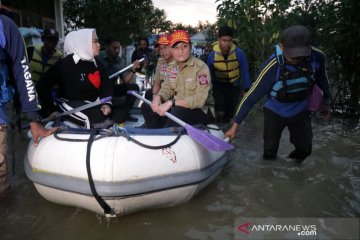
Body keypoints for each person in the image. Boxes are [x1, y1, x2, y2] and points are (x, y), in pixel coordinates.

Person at [224, 25, 331, 163]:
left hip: (301, 109)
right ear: (281, 47)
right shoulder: (272, 66)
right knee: (269, 153)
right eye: (293, 56)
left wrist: (326, 102)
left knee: (305, 150)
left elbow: (322, 78)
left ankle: (292, 169)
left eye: (301, 55)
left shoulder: (318, 57)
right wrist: (234, 127)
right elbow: (251, 97)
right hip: (275, 110)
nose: (297, 59)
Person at [0, 11, 56, 199]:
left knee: (3, 181)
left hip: (11, 106)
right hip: (27, 98)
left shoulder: (6, 27)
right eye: (49, 40)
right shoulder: (36, 51)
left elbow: (23, 75)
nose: (51, 44)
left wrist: (33, 118)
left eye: (54, 41)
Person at [37, 28, 113, 129]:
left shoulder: (99, 64)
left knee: (117, 112)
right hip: (69, 104)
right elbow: (42, 85)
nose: (99, 45)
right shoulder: (65, 64)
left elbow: (106, 86)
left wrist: (107, 104)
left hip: (93, 104)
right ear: (84, 43)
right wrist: (51, 110)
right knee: (96, 119)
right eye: (95, 41)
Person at [141, 30, 214, 128]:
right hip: (178, 108)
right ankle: (157, 134)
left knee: (177, 111)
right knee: (147, 106)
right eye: (175, 47)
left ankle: (166, 134)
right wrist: (158, 97)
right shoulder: (172, 67)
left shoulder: (201, 68)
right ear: (171, 49)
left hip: (201, 111)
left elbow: (200, 100)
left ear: (190, 47)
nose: (180, 51)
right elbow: (167, 88)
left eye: (184, 46)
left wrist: (172, 102)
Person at [207, 26, 251, 123]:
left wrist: (247, 88)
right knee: (219, 111)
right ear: (219, 40)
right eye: (224, 40)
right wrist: (209, 89)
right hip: (218, 85)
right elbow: (209, 74)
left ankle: (227, 126)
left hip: (233, 85)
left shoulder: (239, 53)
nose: (227, 43)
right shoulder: (212, 55)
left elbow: (245, 70)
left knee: (230, 111)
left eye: (230, 40)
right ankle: (219, 125)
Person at [98, 37, 140, 123]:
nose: (117, 51)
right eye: (114, 48)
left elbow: (125, 80)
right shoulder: (98, 58)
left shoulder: (120, 61)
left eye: (118, 48)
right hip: (100, 89)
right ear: (107, 47)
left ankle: (126, 113)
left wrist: (133, 70)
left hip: (113, 88)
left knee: (133, 87)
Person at [144, 34, 174, 100]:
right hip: (162, 91)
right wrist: (154, 95)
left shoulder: (178, 61)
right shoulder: (161, 61)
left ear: (172, 47)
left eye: (165, 47)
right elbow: (157, 81)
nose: (163, 51)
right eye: (160, 48)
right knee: (149, 94)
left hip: (174, 94)